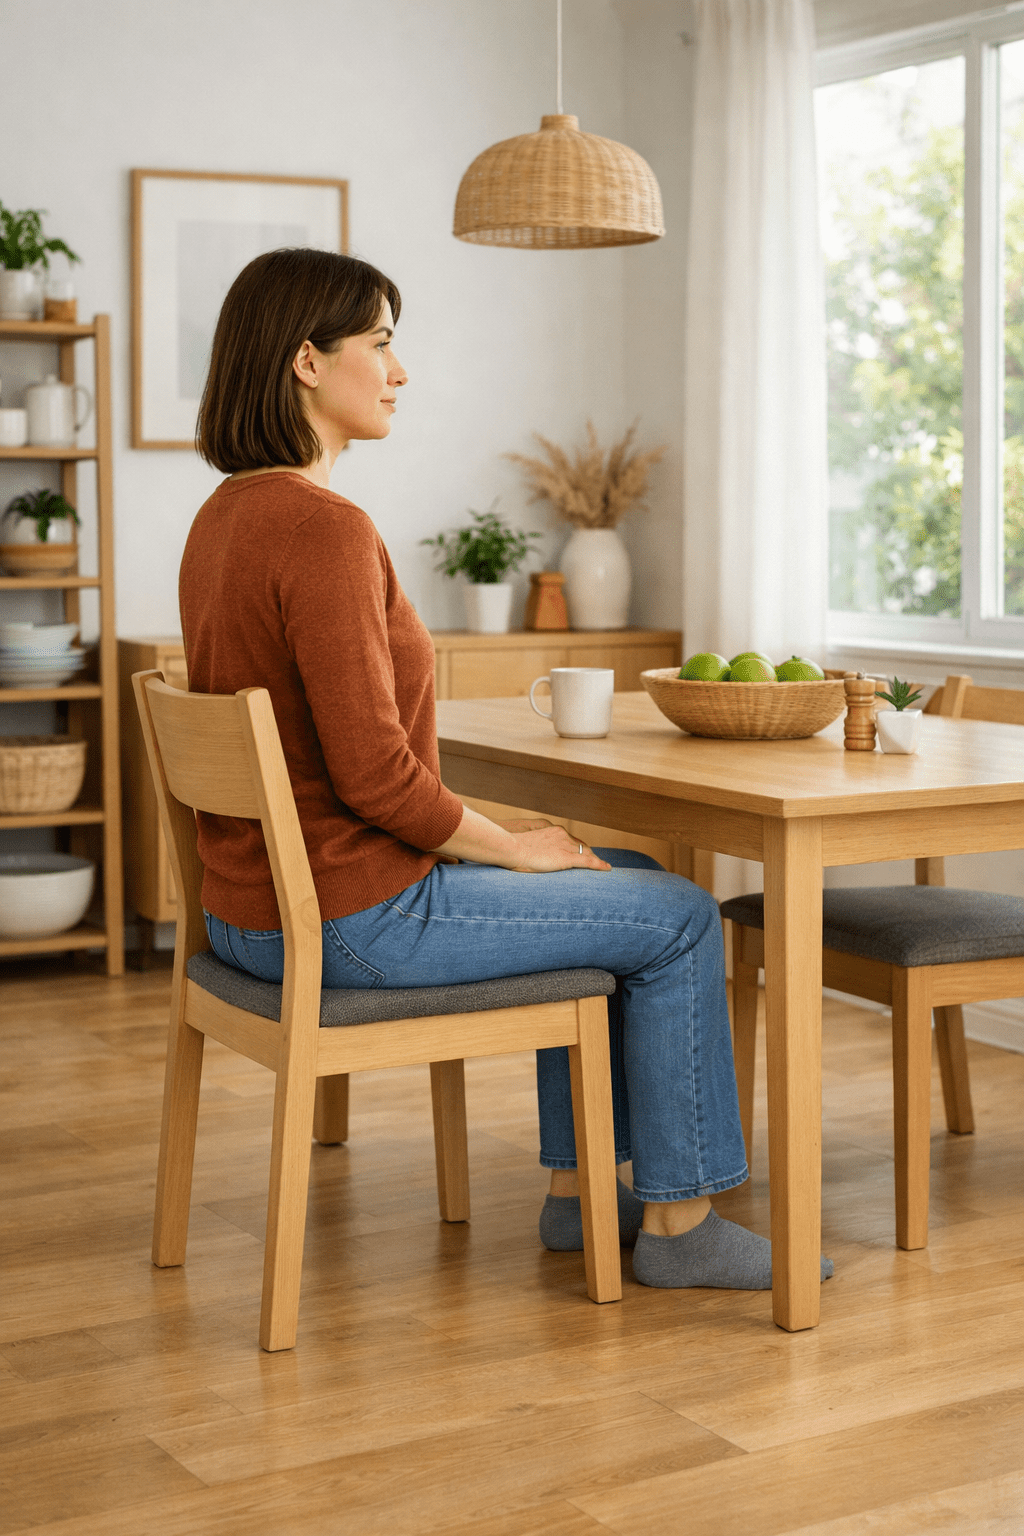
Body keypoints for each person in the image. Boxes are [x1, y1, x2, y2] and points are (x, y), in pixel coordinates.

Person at [181, 247, 832, 1293]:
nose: (400, 371)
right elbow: (376, 782)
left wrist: (525, 849)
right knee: (678, 917)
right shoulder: (323, 531)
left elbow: (349, 769)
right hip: (353, 917)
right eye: (382, 344)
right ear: (307, 362)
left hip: (246, 914)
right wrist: (513, 848)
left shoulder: (224, 518)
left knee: (612, 862)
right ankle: (682, 1225)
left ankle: (583, 1200)